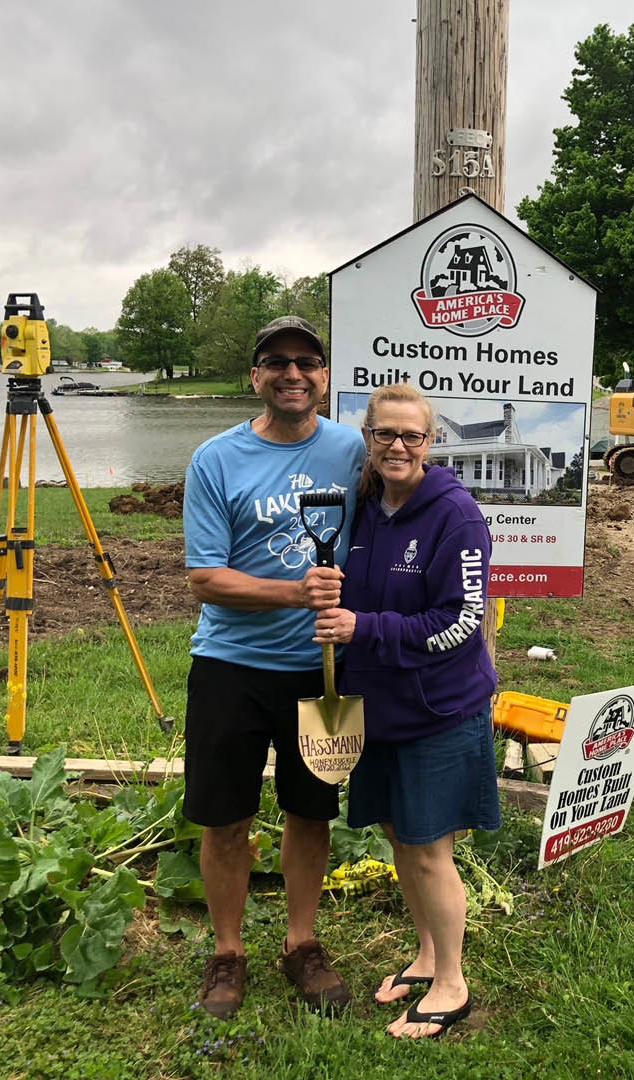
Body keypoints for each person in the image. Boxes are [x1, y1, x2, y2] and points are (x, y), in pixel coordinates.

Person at [182, 315, 366, 1019]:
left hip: (321, 671)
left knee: (310, 812)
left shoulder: (353, 451)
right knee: (225, 817)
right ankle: (227, 954)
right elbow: (205, 579)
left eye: (307, 362)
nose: (294, 373)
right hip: (231, 665)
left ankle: (301, 943)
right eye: (277, 362)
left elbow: (406, 500)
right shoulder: (216, 459)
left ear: (324, 376)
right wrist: (297, 591)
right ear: (255, 376)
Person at [314, 383, 498, 1040]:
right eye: (384, 434)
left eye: (410, 436)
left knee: (428, 850)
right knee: (399, 837)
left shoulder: (456, 516)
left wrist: (365, 629)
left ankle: (452, 984)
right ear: (368, 437)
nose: (397, 446)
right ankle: (426, 953)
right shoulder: (364, 507)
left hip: (439, 710)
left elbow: (463, 623)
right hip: (379, 707)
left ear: (431, 442)